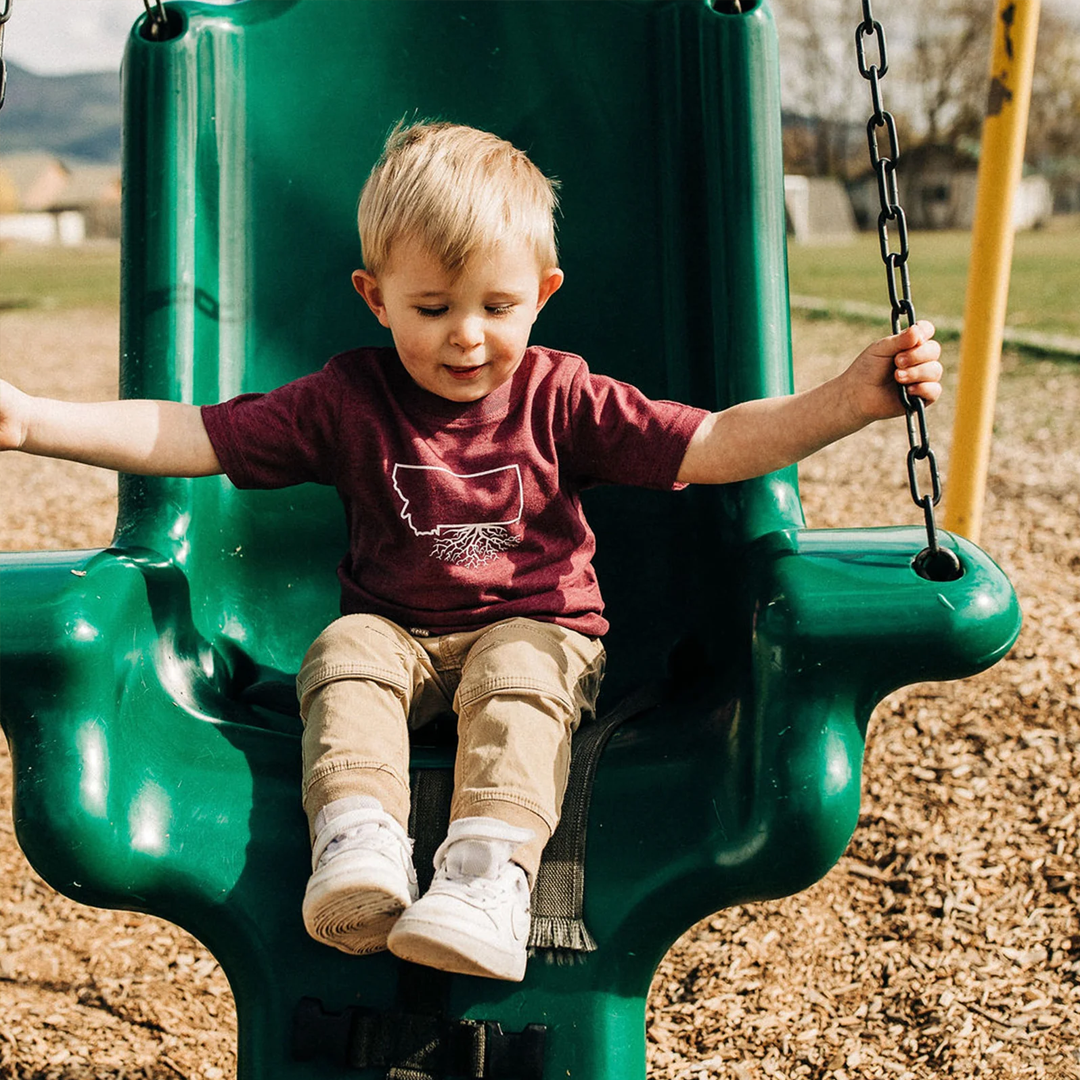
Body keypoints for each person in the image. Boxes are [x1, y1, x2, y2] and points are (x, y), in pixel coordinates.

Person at [0, 121, 943, 983]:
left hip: (542, 632)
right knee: (344, 653)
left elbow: (714, 445)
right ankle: (360, 842)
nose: (468, 334)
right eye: (433, 306)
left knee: (516, 671)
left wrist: (847, 401)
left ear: (543, 294)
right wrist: (36, 420)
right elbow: (194, 435)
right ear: (375, 299)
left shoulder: (560, 396)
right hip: (399, 632)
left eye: (497, 304)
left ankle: (487, 878)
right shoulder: (348, 399)